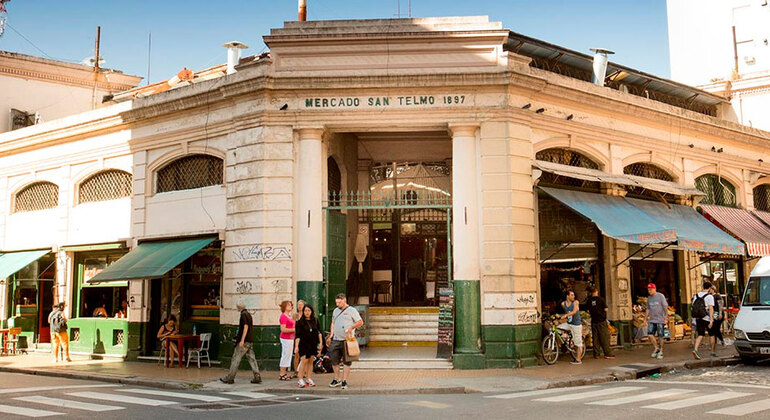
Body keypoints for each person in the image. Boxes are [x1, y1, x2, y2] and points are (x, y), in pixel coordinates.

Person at [327, 293, 363, 389]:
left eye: (339, 302)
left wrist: (351, 327)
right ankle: (336, 378)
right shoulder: (335, 311)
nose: (337, 304)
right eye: (336, 302)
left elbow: (360, 322)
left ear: (344, 300)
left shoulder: (352, 310)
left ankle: (344, 380)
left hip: (347, 340)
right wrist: (331, 333)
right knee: (334, 359)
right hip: (336, 338)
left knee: (347, 361)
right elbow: (333, 322)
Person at [220, 301, 262, 384]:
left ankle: (230, 377)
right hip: (249, 340)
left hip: (244, 341)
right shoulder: (249, 314)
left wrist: (242, 340)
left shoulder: (243, 315)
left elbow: (245, 327)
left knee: (236, 358)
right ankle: (257, 375)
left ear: (239, 307)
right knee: (252, 359)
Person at [295, 304, 323, 388]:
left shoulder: (315, 321)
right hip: (303, 343)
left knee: (311, 360)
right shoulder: (300, 322)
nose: (307, 312)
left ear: (311, 312)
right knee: (304, 360)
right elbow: (297, 336)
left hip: (313, 343)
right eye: (305, 311)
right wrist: (296, 347)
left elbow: (319, 332)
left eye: (309, 311)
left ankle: (308, 378)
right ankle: (300, 379)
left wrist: (320, 343)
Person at [586, 286, 614, 359]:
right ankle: (607, 353)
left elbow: (588, 311)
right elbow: (606, 309)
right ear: (596, 291)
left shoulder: (589, 300)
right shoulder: (601, 299)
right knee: (604, 337)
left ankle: (596, 354)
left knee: (595, 338)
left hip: (593, 321)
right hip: (601, 320)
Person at [557, 290, 583, 365]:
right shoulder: (563, 304)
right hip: (569, 323)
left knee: (578, 343)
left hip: (576, 324)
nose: (573, 296)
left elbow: (574, 311)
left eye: (573, 295)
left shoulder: (575, 302)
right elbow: (567, 311)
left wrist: (566, 316)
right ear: (567, 296)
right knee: (557, 329)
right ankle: (565, 342)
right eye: (571, 295)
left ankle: (578, 359)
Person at [692, 281, 717, 359]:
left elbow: (693, 306)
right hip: (706, 318)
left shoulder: (696, 295)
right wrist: (711, 320)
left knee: (700, 334)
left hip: (698, 318)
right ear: (709, 288)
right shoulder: (710, 297)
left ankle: (695, 349)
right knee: (711, 334)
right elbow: (710, 308)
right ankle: (712, 352)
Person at [644, 283, 668, 360]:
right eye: (648, 289)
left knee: (661, 336)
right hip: (652, 319)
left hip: (660, 319)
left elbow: (665, 307)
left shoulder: (660, 296)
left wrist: (666, 317)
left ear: (654, 289)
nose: (649, 291)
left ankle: (661, 351)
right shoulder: (649, 298)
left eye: (650, 289)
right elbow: (648, 309)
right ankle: (656, 348)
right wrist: (645, 319)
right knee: (650, 334)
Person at [278, 300, 295, 380]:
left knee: (288, 355)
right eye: (288, 305)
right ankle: (282, 373)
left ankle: (284, 373)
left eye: (290, 305)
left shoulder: (289, 316)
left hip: (290, 338)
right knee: (285, 354)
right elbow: (283, 329)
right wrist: (294, 330)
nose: (290, 306)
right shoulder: (283, 316)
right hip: (286, 338)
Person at [293, 299, 306, 378]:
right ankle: (295, 371)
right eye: (298, 305)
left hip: (304, 336)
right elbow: (293, 325)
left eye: (301, 305)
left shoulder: (306, 315)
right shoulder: (295, 315)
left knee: (304, 355)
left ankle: (303, 371)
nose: (300, 306)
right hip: (297, 336)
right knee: (297, 354)